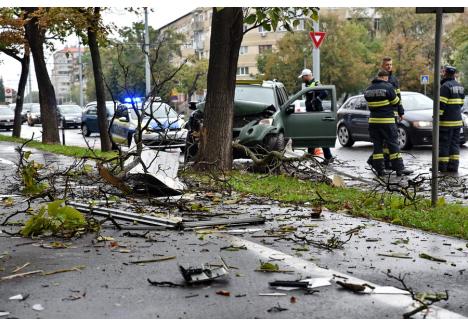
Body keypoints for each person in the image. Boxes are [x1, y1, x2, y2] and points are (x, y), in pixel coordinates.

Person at [364, 69, 412, 177]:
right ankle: (399, 169)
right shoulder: (388, 87)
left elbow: (369, 103)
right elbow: (395, 102)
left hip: (373, 122)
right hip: (387, 121)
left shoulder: (368, 89)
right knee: (393, 145)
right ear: (385, 77)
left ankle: (380, 170)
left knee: (377, 147)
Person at [298, 68, 334, 164]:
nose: (302, 79)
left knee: (320, 136)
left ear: (307, 76)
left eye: (303, 77)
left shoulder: (316, 83)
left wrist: (317, 99)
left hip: (317, 113)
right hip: (311, 113)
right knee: (311, 135)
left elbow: (325, 92)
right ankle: (310, 155)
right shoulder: (308, 85)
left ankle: (328, 157)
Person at [439, 65, 464, 172]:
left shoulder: (445, 86)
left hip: (446, 122)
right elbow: (461, 104)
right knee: (454, 144)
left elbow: (441, 105)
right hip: (457, 121)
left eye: (443, 71)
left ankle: (442, 167)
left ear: (445, 73)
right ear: (454, 74)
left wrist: (437, 118)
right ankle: (453, 167)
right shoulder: (460, 86)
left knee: (444, 144)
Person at [381, 57, 405, 169]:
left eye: (390, 64)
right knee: (387, 140)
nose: (389, 66)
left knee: (392, 139)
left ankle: (389, 161)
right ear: (382, 66)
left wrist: (401, 111)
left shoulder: (394, 80)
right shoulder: (380, 78)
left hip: (394, 113)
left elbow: (399, 96)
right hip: (385, 114)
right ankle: (387, 161)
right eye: (387, 65)